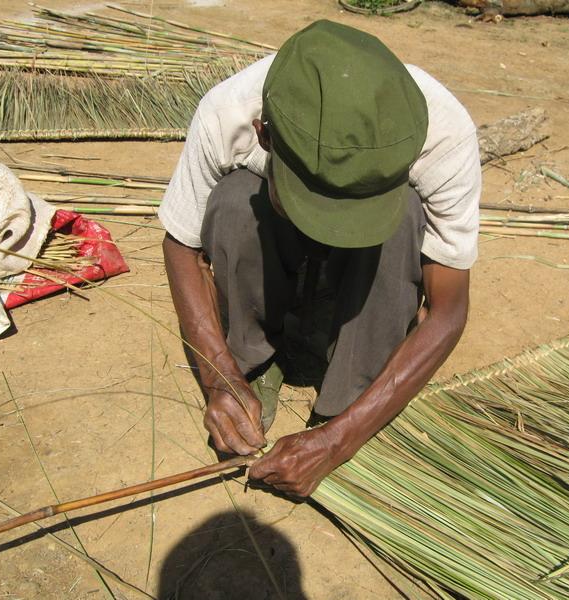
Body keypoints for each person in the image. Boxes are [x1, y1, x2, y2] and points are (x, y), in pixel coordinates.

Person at [160, 20, 480, 497]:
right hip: (273, 254)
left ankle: (351, 392)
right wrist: (218, 375)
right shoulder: (227, 112)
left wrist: (339, 440)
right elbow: (181, 243)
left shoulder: (443, 133)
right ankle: (251, 361)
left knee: (407, 213)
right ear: (264, 136)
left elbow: (448, 309)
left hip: (367, 274)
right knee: (233, 200)